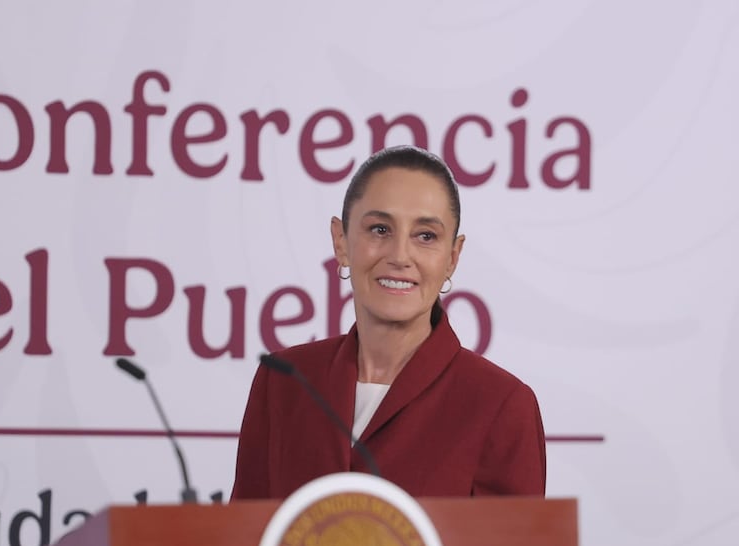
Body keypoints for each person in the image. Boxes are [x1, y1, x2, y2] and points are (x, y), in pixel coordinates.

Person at [231, 145, 546, 499]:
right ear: (341, 242)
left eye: (425, 236)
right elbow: (247, 544)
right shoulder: (285, 382)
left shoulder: (501, 405)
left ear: (452, 258)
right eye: (380, 229)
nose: (399, 256)